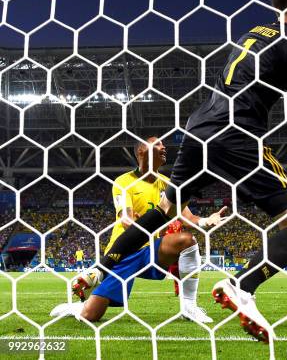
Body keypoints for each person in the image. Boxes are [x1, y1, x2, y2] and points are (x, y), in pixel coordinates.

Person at [71, 0, 287, 343]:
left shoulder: (256, 32)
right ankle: (241, 286)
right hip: (238, 136)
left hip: (199, 128)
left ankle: (99, 269)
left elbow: (256, 78)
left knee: (161, 211)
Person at [65, 137, 227, 323]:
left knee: (187, 241)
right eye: (157, 143)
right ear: (141, 151)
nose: (163, 146)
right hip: (125, 252)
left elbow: (188, 218)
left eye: (163, 144)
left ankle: (189, 307)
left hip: (151, 251)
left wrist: (207, 220)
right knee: (90, 316)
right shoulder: (124, 181)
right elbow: (126, 219)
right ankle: (76, 307)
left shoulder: (167, 183)